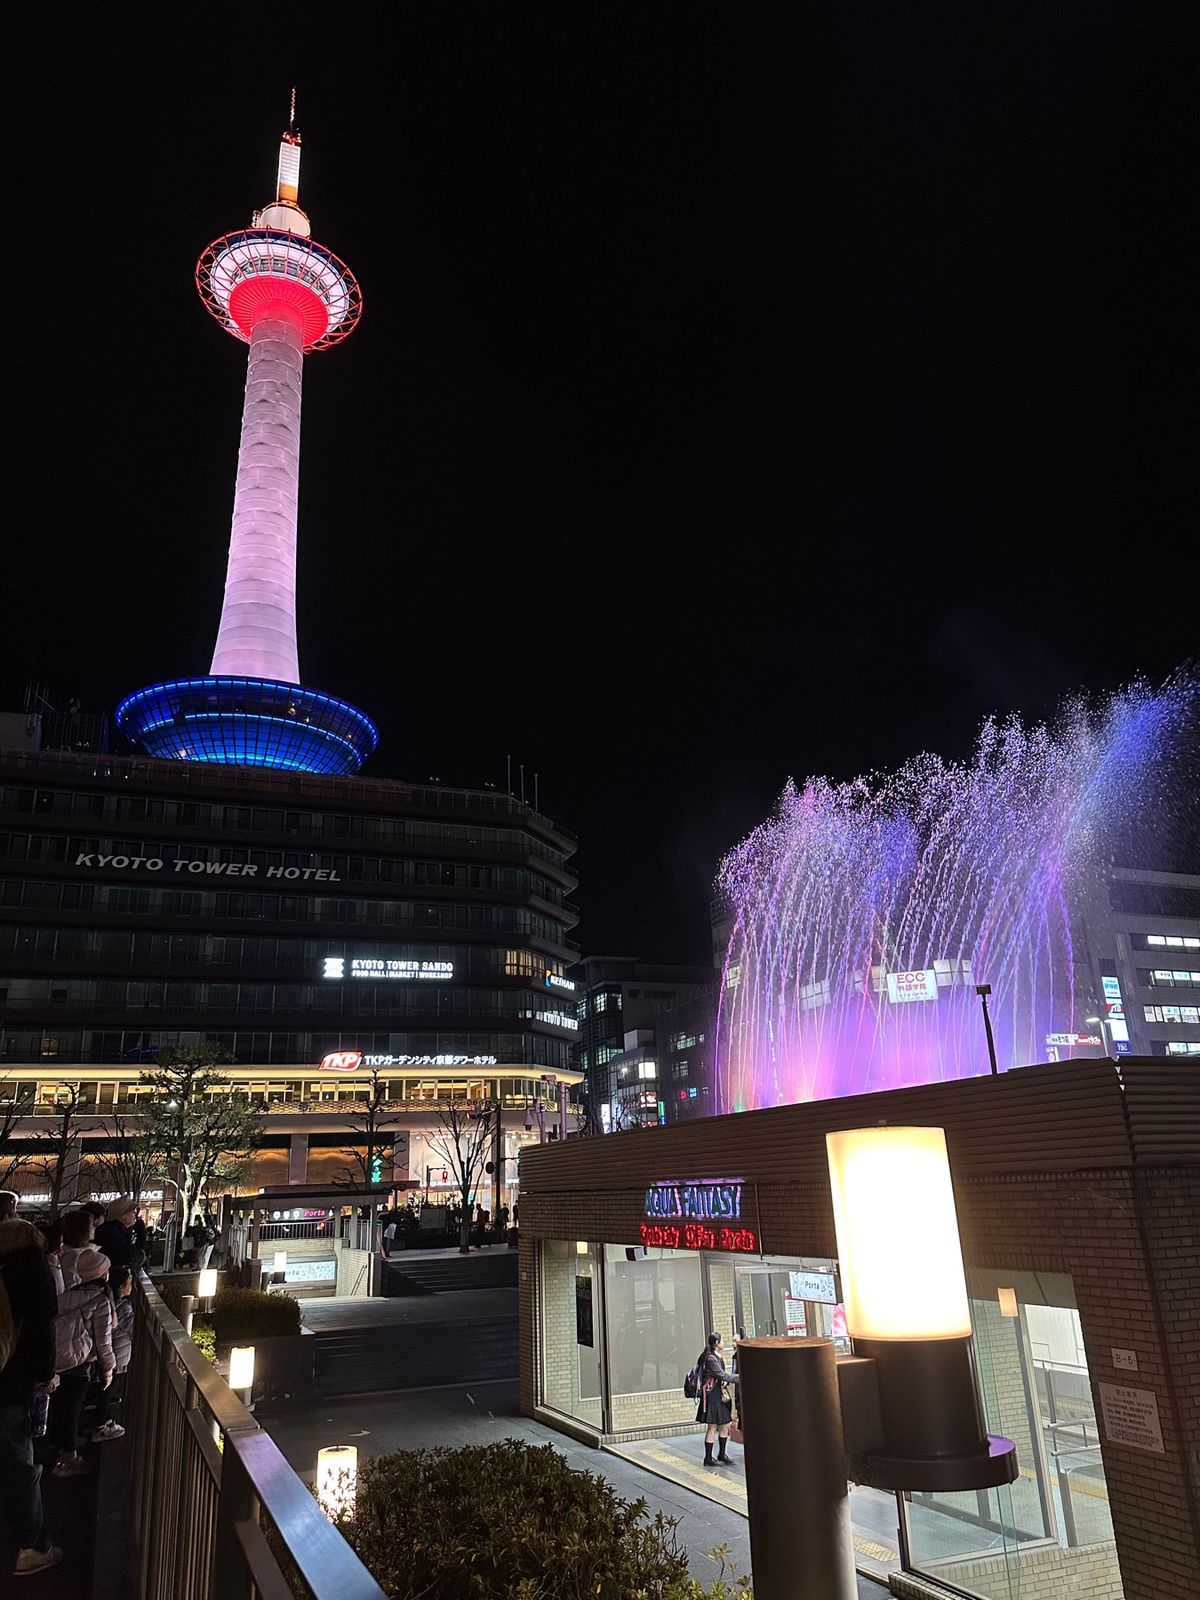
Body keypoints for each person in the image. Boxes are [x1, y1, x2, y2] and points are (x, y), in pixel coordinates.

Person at [0, 1218, 62, 1577]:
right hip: (13, 1384)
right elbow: (43, 1327)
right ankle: (32, 1546)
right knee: (20, 1465)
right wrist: (45, 1374)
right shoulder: (34, 1272)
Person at [51, 1246, 115, 1475]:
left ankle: (57, 1448)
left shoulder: (67, 1293)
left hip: (58, 1356)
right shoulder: (100, 1300)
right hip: (79, 1359)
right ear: (102, 1274)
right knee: (72, 1408)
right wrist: (109, 1369)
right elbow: (104, 1341)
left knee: (61, 1406)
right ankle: (68, 1459)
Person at [93, 1264, 133, 1442]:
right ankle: (101, 1424)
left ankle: (103, 1419)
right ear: (121, 1287)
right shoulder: (123, 1308)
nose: (131, 1286)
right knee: (107, 1390)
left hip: (111, 1353)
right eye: (129, 1282)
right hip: (115, 1355)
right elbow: (132, 1328)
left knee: (105, 1389)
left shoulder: (112, 1303)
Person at [694, 1331, 738, 1467]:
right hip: (712, 1396)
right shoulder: (711, 1359)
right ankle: (708, 1458)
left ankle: (722, 1454)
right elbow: (721, 1375)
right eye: (722, 1340)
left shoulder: (717, 1357)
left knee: (725, 1424)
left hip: (719, 1395)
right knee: (712, 1427)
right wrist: (739, 1377)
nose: (724, 1342)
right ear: (717, 1343)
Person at [94, 1196, 140, 1272]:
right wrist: (141, 1235)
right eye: (132, 1212)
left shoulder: (116, 1230)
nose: (135, 1214)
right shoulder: (111, 1232)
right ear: (123, 1216)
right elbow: (128, 1256)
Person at [58, 1207, 95, 1290]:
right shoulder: (73, 1257)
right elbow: (72, 1286)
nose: (94, 1229)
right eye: (92, 1226)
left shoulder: (73, 1253)